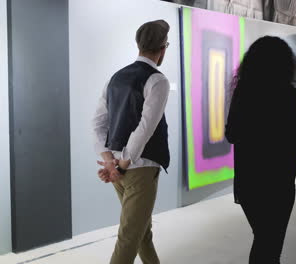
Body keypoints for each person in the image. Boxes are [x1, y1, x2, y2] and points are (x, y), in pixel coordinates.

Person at [92, 20, 171, 264]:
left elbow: (97, 124)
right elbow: (145, 128)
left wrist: (109, 162)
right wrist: (122, 165)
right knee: (130, 236)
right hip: (139, 168)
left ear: (138, 45)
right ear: (163, 48)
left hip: (118, 168)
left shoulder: (115, 78)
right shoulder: (157, 80)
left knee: (141, 233)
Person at [225, 36, 296, 264]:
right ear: (286, 64)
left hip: (248, 182)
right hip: (279, 183)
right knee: (270, 243)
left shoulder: (242, 92)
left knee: (264, 239)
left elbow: (231, 134)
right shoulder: (289, 95)